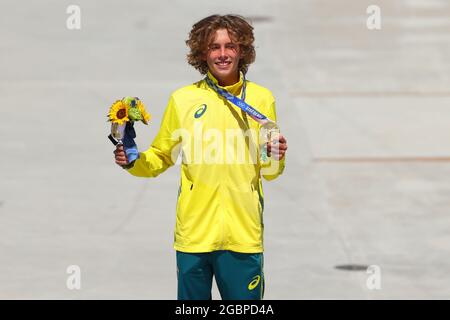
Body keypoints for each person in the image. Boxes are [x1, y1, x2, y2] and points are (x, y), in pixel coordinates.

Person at [113, 14, 288, 300]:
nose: (222, 54)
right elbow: (161, 156)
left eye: (230, 46)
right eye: (213, 47)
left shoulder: (261, 99)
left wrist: (276, 156)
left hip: (243, 235)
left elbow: (269, 172)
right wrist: (133, 161)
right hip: (194, 235)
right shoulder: (183, 100)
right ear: (201, 53)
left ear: (242, 50)